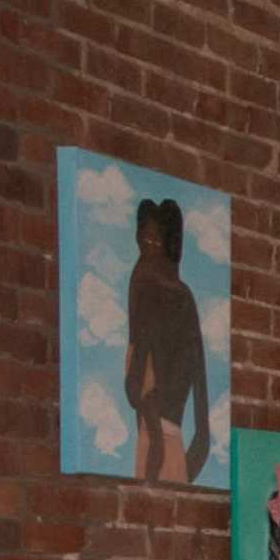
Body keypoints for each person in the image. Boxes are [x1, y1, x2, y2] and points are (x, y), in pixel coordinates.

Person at [124, 199, 211, 483]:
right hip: (167, 452)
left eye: (153, 241)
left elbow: (133, 385)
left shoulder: (155, 295)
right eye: (142, 240)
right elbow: (202, 438)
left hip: (156, 449)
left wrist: (158, 450)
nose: (145, 251)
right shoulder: (182, 300)